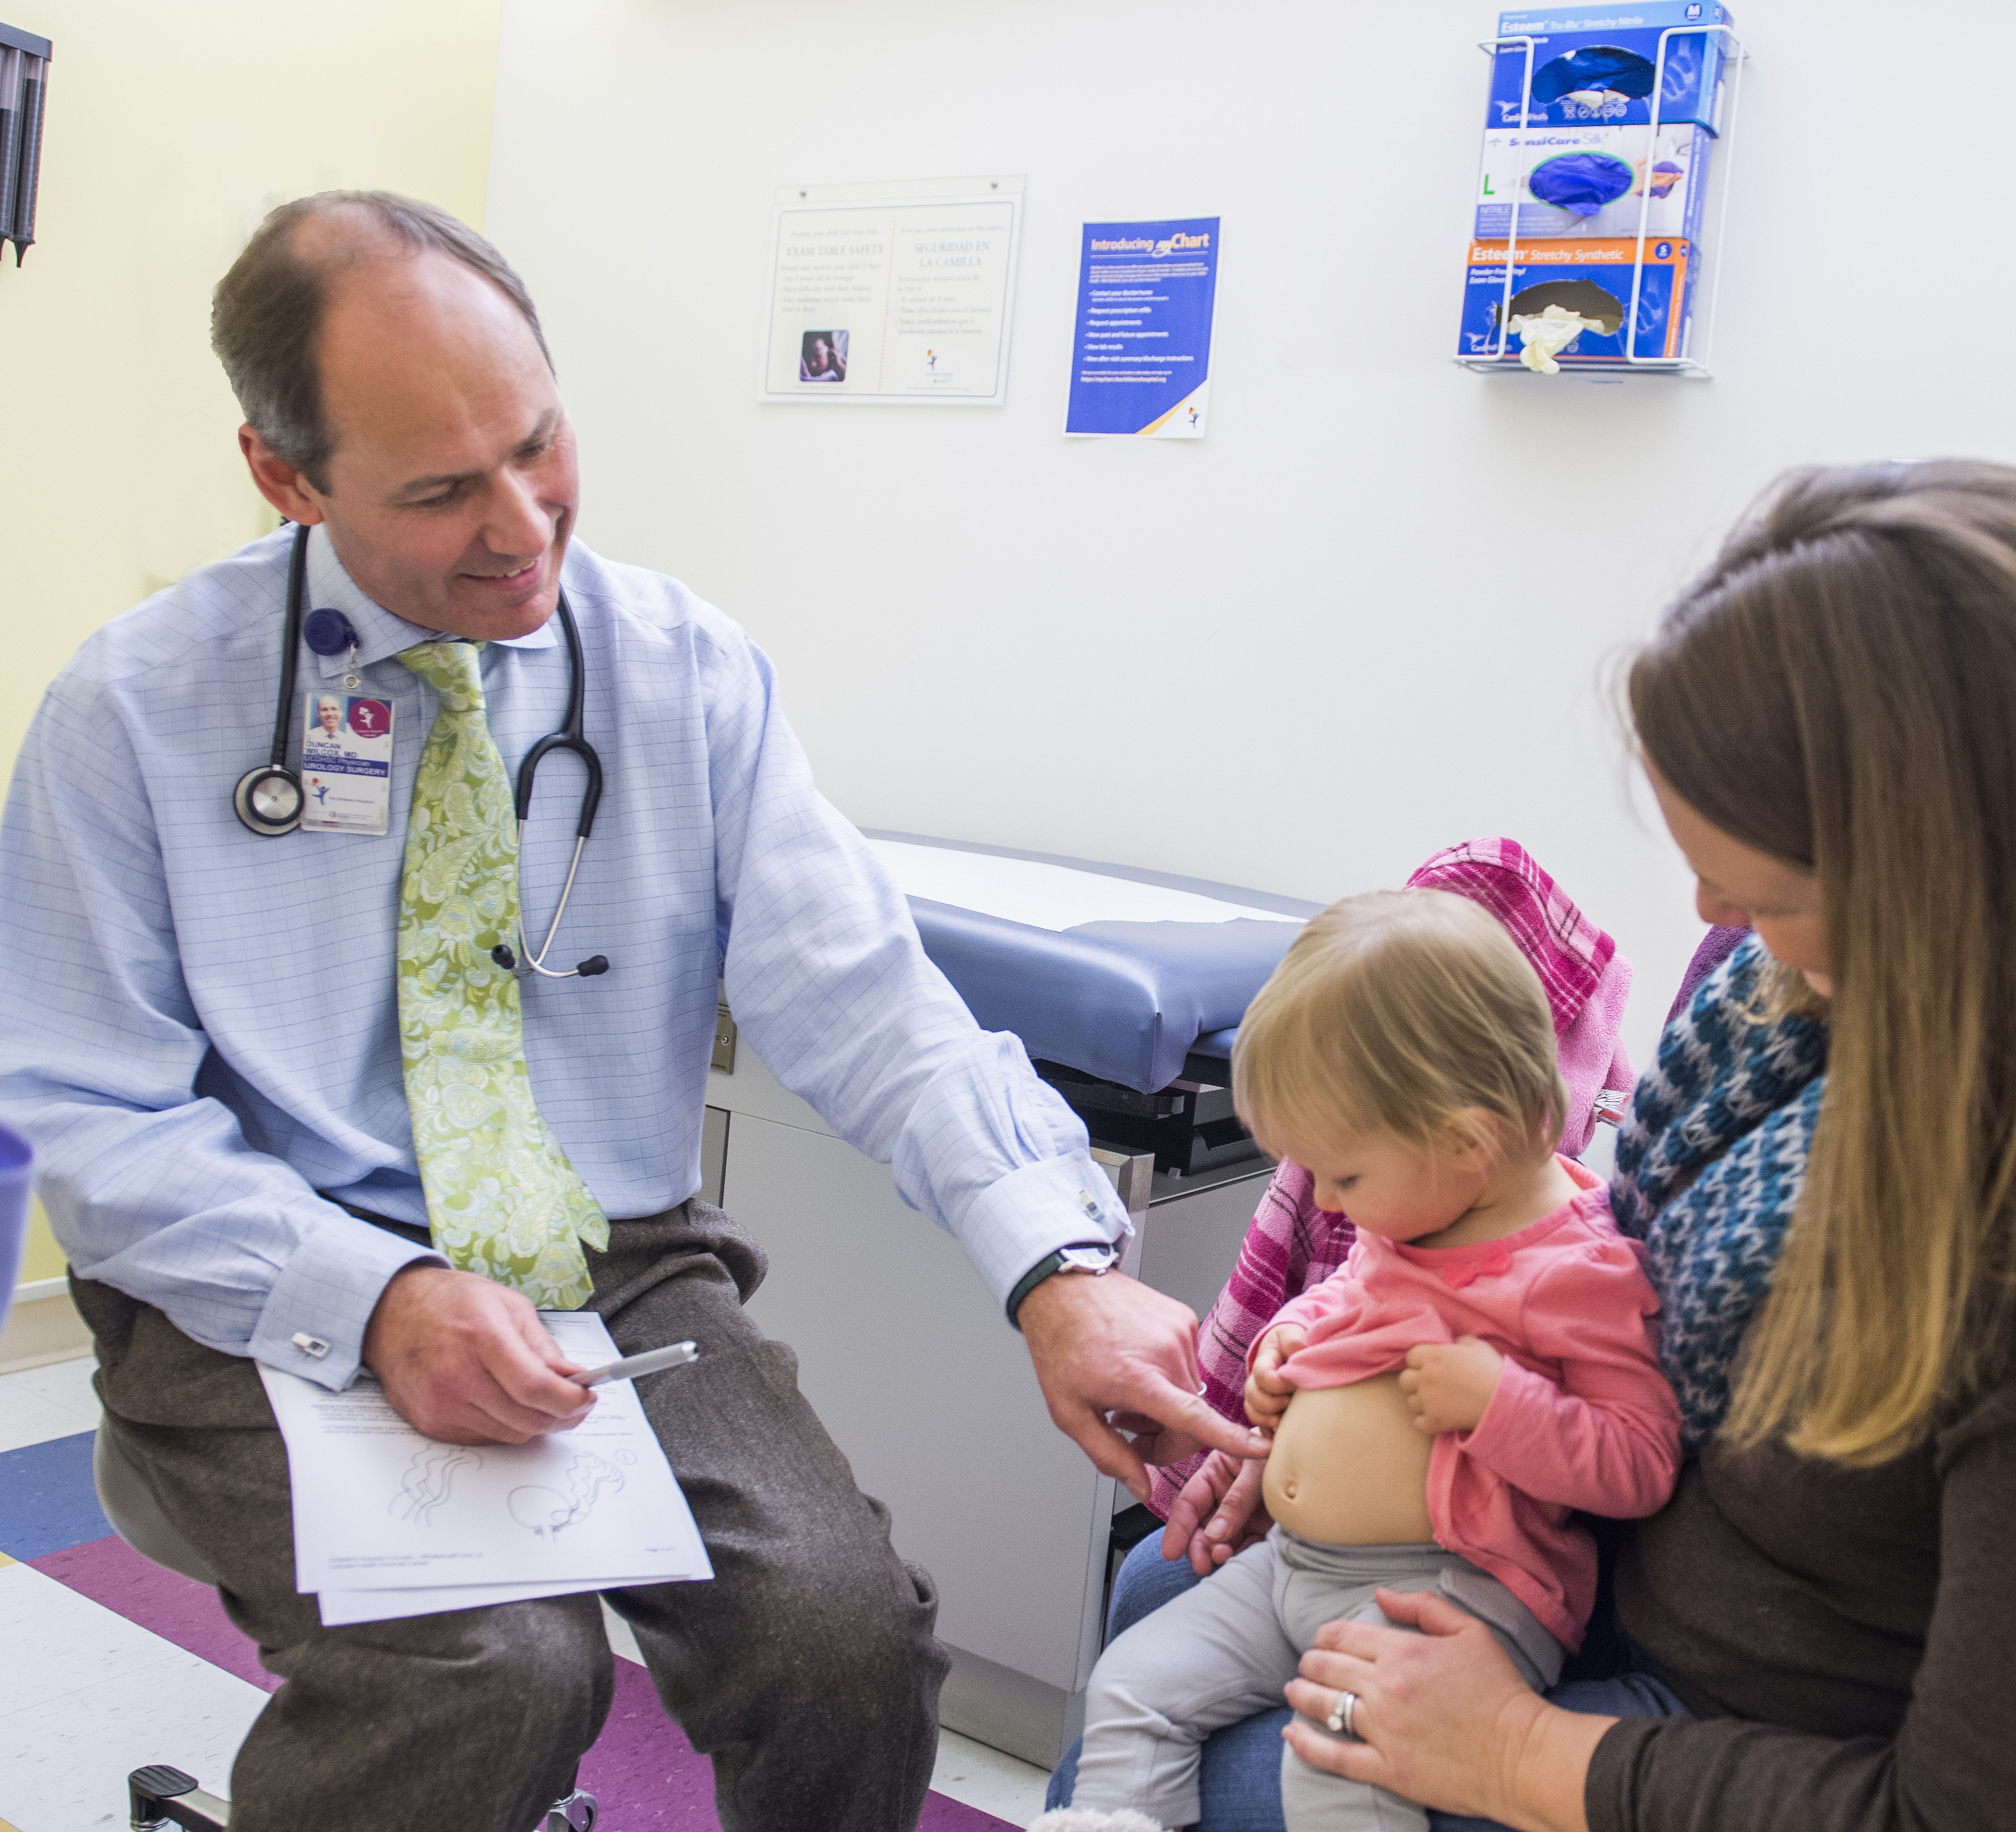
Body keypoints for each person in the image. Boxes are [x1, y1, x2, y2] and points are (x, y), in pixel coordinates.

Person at [0, 192, 1260, 1832]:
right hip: (258, 1272)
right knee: (491, 1665)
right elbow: (87, 1119)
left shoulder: (681, 671)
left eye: (539, 445)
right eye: (444, 489)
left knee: (845, 1644)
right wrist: (374, 1293)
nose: (523, 525)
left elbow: (871, 1002)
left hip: (609, 1251)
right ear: (285, 476)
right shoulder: (134, 709)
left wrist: (1059, 1268)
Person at [1151, 461, 2016, 1832]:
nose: (1707, 909)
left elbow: (1955, 1807)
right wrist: (1345, 1416)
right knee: (1153, 1590)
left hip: (1743, 1724)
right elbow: (1562, 1306)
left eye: (1762, 886)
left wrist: (1516, 1753)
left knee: (1241, 1783)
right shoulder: (1778, 1008)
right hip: (1605, 1563)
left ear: (1948, 878)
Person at [1033, 891, 1679, 1832]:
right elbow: (1351, 1309)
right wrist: (1290, 1354)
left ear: (1469, 1139)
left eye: (1345, 1177)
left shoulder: (1582, 1271)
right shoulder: (1418, 1210)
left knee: (1338, 1764)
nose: (1328, 1204)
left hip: (1449, 1600)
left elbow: (1639, 1462)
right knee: (1136, 1682)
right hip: (1297, 1564)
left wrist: (1500, 1402)